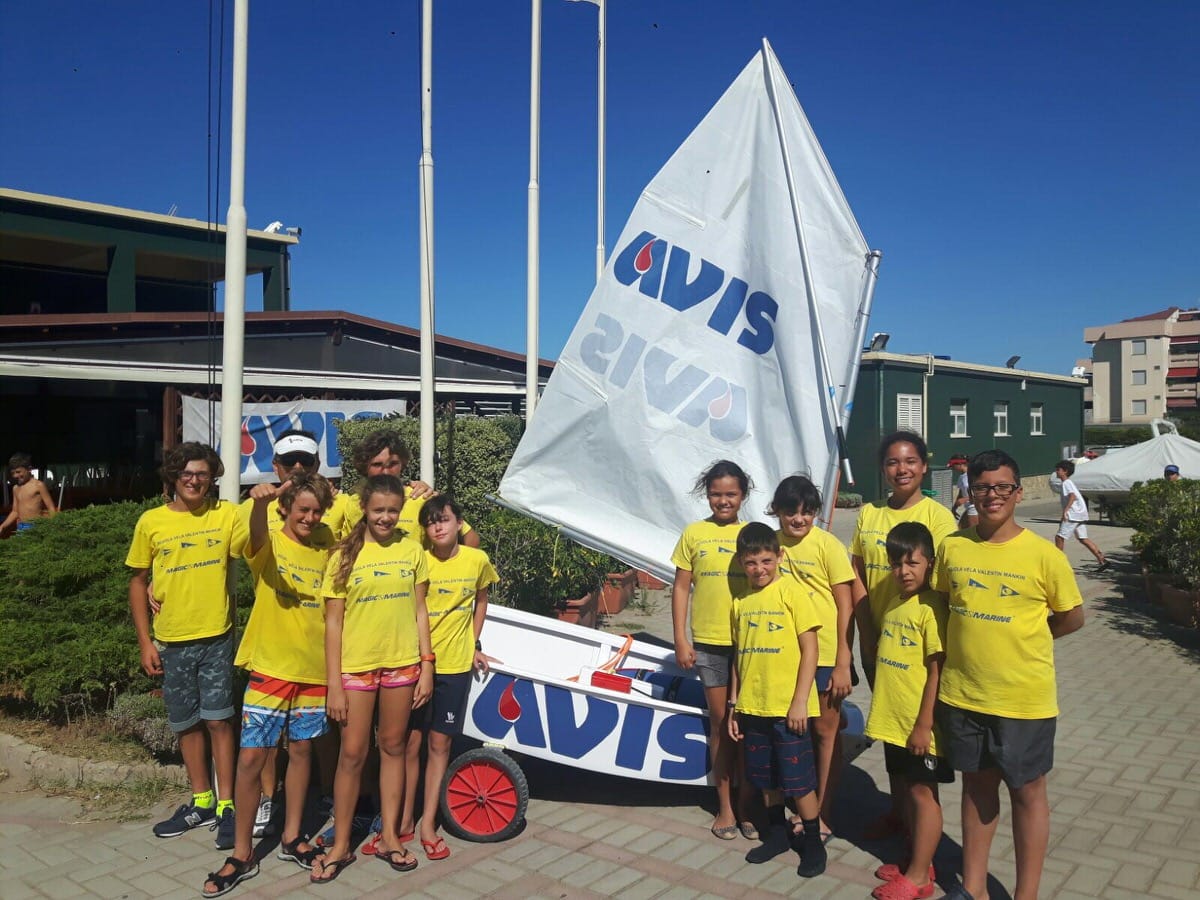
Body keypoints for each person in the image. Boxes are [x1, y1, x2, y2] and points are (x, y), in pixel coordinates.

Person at [934, 450, 1084, 900]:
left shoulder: (1043, 555)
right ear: (971, 493)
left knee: (1027, 793)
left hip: (1023, 700)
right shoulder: (953, 547)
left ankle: (1027, 894)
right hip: (963, 693)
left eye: (1002, 487)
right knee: (977, 788)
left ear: (1018, 493)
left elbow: (1072, 617)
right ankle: (974, 888)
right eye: (983, 488)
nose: (992, 496)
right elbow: (943, 605)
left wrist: (1026, 640)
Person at [202, 473, 335, 897]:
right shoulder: (271, 542)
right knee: (251, 760)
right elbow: (255, 538)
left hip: (313, 672)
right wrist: (258, 504)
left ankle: (293, 836)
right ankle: (242, 852)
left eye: (316, 511)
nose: (310, 518)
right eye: (302, 510)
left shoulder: (326, 548)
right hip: (270, 669)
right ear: (286, 510)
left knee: (300, 753)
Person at [312, 474, 434, 884]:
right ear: (364, 508)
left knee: (395, 747)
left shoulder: (413, 549)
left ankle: (390, 838)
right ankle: (341, 844)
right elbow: (332, 624)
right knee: (352, 754)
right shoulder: (343, 557)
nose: (386, 518)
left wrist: (426, 664)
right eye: (378, 510)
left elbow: (420, 611)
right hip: (356, 668)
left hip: (403, 665)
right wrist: (334, 683)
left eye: (393, 510)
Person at [126, 443, 248, 849]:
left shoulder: (227, 513)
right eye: (187, 474)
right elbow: (138, 581)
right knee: (186, 723)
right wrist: (146, 642)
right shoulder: (151, 521)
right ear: (173, 477)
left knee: (218, 720)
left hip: (216, 636)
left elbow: (259, 537)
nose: (195, 480)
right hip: (172, 640)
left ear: (213, 477)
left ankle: (228, 804)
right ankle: (201, 801)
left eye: (203, 473)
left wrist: (270, 496)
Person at [850, 432, 957, 839]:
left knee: (917, 741)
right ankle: (899, 815)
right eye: (893, 462)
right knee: (893, 733)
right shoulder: (868, 514)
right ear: (883, 469)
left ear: (924, 466)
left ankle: (921, 833)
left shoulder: (938, 517)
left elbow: (946, 582)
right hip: (878, 642)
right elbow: (856, 577)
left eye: (910, 461)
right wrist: (866, 635)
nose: (902, 469)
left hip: (917, 652)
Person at [398, 495, 497, 861]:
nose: (438, 526)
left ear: (459, 524)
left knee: (439, 746)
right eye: (431, 521)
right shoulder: (417, 560)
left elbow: (482, 600)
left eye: (445, 519)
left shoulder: (477, 560)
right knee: (409, 744)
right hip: (414, 664)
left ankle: (428, 824)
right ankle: (403, 820)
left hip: (454, 667)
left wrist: (473, 643)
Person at [727, 523, 826, 878]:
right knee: (765, 778)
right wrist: (734, 705)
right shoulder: (740, 602)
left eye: (767, 561)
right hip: (754, 707)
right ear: (741, 562)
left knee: (799, 782)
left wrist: (800, 700)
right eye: (751, 563)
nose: (760, 569)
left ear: (779, 557)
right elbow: (738, 655)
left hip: (789, 709)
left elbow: (810, 648)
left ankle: (813, 843)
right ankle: (777, 835)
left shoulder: (794, 593)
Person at [865, 522, 952, 900]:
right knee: (905, 788)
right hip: (894, 719)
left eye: (913, 563)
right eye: (895, 564)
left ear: (930, 564)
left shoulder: (931, 609)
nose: (904, 571)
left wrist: (924, 724)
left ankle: (919, 878)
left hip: (920, 725)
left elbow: (936, 670)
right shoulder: (897, 603)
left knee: (922, 794)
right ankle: (918, 859)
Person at [767, 475, 854, 844]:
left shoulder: (828, 545)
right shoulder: (772, 544)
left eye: (806, 512)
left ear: (816, 513)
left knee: (825, 733)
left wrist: (843, 662)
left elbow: (846, 603)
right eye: (790, 512)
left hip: (826, 654)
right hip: (784, 655)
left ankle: (824, 811)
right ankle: (798, 800)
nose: (798, 520)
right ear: (777, 512)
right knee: (792, 731)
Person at [671, 460, 755, 841]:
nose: (723, 501)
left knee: (750, 727)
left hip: (752, 645)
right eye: (717, 494)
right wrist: (681, 639)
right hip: (708, 643)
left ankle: (749, 805)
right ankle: (724, 805)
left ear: (743, 496)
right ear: (707, 495)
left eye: (731, 494)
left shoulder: (754, 535)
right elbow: (681, 588)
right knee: (721, 725)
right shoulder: (694, 534)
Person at [345, 427, 479, 548]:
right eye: (377, 464)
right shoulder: (354, 503)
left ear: (402, 463)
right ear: (364, 467)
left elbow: (470, 539)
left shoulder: (421, 498)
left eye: (393, 464)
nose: (385, 472)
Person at [1053, 459, 1108, 571]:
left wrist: (1066, 511)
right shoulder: (1068, 483)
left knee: (1059, 537)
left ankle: (1057, 563)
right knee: (1083, 538)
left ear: (1065, 471)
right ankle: (1102, 560)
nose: (1056, 472)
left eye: (1058, 470)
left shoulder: (1066, 483)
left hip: (1074, 514)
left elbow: (1072, 496)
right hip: (1079, 514)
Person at [2, 452, 57, 535]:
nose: (15, 475)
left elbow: (51, 508)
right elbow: (15, 511)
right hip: (21, 527)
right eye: (13, 473)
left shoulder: (39, 485)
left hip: (37, 526)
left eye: (18, 472)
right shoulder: (15, 488)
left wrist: (54, 525)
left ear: (29, 469)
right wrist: (2, 526)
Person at [948, 454, 977, 529]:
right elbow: (961, 493)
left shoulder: (973, 475)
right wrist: (954, 508)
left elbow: (979, 494)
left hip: (975, 509)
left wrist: (965, 499)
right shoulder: (961, 477)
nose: (953, 468)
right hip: (968, 508)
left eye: (953, 465)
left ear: (960, 464)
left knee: (972, 534)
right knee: (960, 531)